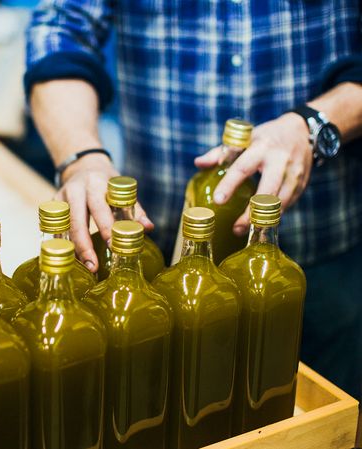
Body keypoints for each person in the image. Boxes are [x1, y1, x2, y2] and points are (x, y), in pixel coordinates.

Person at [24, 1, 362, 400]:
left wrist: (317, 122)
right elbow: (60, 27)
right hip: (160, 264)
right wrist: (81, 156)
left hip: (325, 258)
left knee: (318, 417)